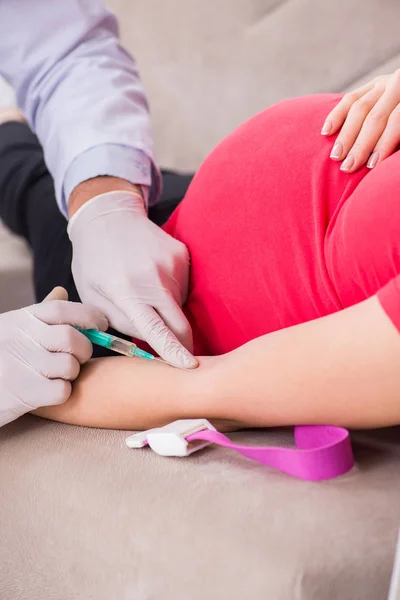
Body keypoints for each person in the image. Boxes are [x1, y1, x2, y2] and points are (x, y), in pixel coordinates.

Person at [1, 71, 400, 432]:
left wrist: (21, 373)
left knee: (32, 187)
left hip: (135, 302)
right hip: (201, 205)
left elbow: (205, 388)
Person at [0, 1, 199, 426]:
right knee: (35, 184)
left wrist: (102, 202)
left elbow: (62, 52)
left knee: (40, 187)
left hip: (178, 206)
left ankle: (8, 133)